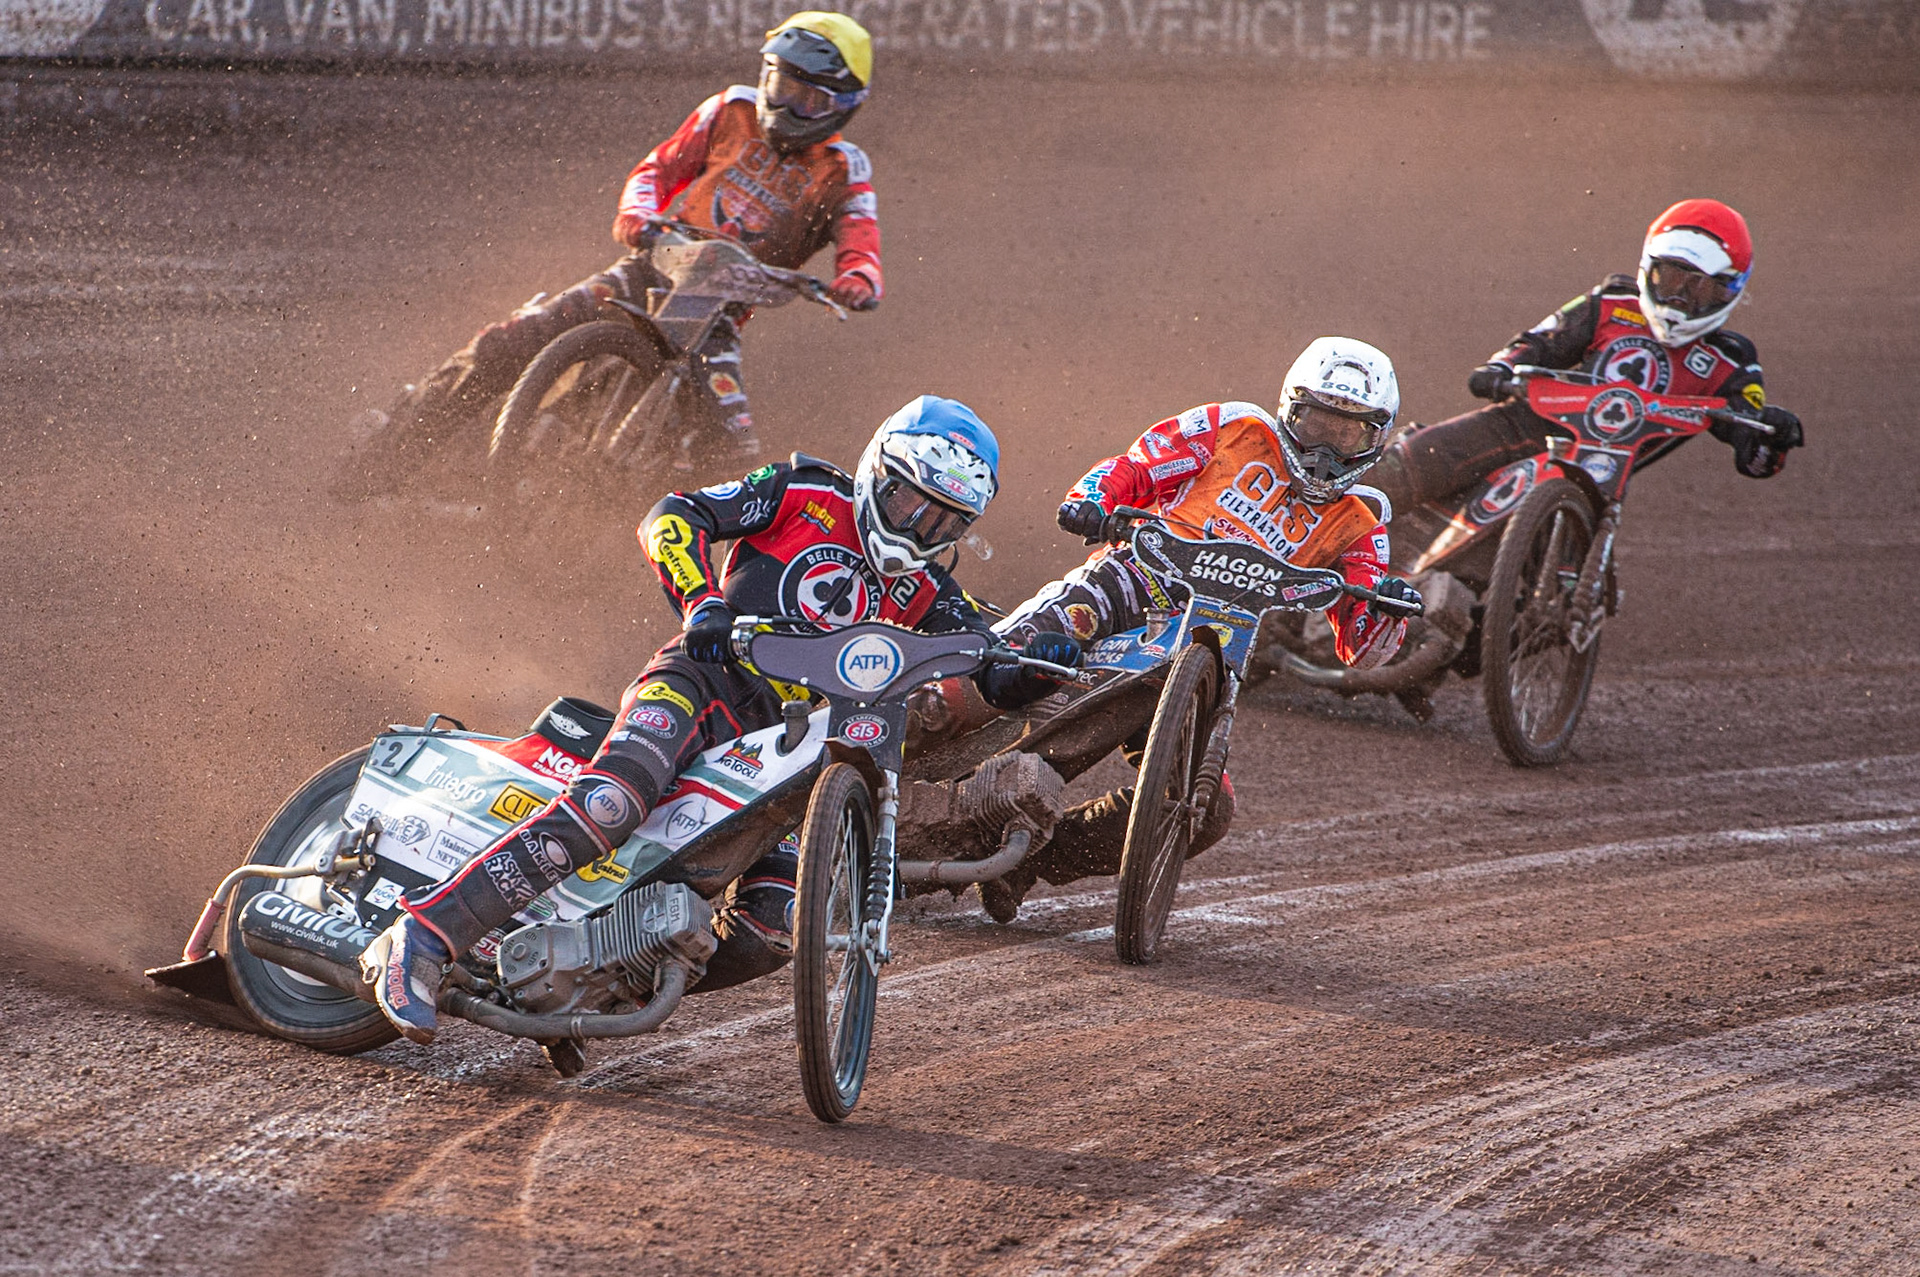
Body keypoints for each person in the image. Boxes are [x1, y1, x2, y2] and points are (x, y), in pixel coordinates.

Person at [360, 396, 1081, 1045]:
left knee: (773, 931)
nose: (919, 527)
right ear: (875, 471)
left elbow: (989, 665)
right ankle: (424, 935)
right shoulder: (804, 491)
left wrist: (1036, 662)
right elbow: (674, 514)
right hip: (700, 684)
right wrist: (702, 600)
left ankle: (602, 981)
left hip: (793, 751)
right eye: (907, 502)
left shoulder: (929, 588)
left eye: (944, 520)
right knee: (612, 802)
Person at [974, 337, 1424, 918]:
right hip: (1137, 577)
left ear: (1375, 438)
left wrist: (1386, 607)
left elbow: (1361, 649)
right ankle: (910, 727)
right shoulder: (1233, 427)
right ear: (1290, 409)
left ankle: (1031, 860)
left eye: (1346, 434)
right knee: (1022, 652)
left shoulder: (1363, 523)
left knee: (1205, 810)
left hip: (1220, 639)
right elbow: (1135, 468)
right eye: (1315, 424)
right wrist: (1093, 498)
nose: (1325, 451)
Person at [382, 11, 884, 463]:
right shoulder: (730, 109)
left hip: (719, 315)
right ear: (765, 75)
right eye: (783, 86)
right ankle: (395, 449)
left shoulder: (844, 170)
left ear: (844, 106)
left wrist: (858, 277)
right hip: (654, 264)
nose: (791, 104)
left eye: (810, 97)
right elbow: (656, 170)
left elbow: (860, 237)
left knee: (732, 449)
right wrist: (638, 216)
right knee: (514, 338)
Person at [1367, 198, 1804, 516]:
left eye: (1699, 288)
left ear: (1729, 290)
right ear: (1648, 270)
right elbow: (1543, 340)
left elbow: (1753, 455)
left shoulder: (1732, 360)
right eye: (1671, 279)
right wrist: (1501, 367)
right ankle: (1311, 540)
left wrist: (1773, 433)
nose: (1679, 299)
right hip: (1528, 421)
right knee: (1418, 457)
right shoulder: (1611, 302)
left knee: (1525, 599)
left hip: (1597, 478)